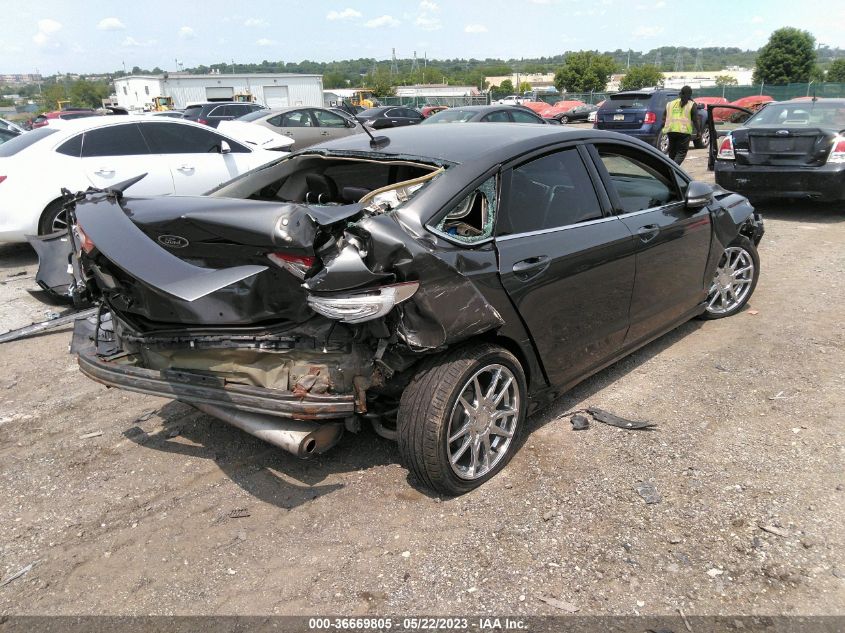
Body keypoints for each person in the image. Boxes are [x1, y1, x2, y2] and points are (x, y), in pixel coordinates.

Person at [662, 85, 701, 165]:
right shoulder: (691, 104)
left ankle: (671, 169)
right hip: (683, 132)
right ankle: (673, 169)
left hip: (671, 131)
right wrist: (699, 131)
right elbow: (696, 120)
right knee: (681, 152)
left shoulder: (671, 104)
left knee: (672, 152)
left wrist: (665, 126)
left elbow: (663, 117)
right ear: (690, 94)